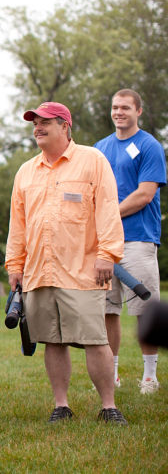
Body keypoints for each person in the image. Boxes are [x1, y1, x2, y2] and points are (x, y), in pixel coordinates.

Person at [6, 101, 127, 425]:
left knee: (95, 339)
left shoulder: (92, 161)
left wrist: (107, 255)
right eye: (34, 123)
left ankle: (108, 406)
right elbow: (17, 225)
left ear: (65, 126)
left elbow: (107, 210)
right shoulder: (26, 172)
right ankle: (61, 405)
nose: (37, 128)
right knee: (52, 340)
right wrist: (14, 266)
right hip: (39, 273)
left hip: (83, 271)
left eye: (45, 122)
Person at [94, 89, 165, 394]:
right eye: (114, 107)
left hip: (137, 238)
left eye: (125, 107)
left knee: (143, 309)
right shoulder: (99, 149)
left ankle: (150, 376)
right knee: (108, 309)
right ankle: (112, 374)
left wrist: (108, 214)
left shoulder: (148, 146)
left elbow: (145, 193)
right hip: (104, 244)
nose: (119, 112)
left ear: (138, 111)